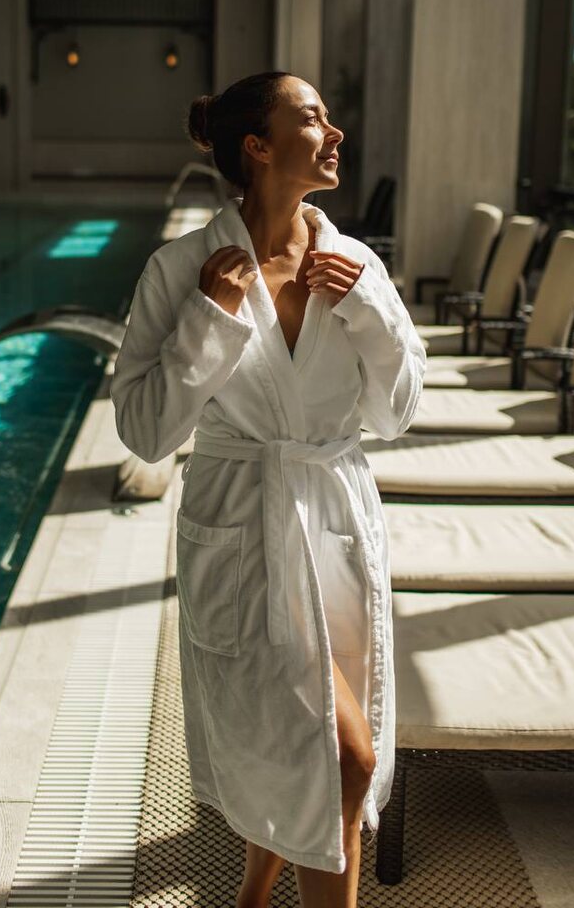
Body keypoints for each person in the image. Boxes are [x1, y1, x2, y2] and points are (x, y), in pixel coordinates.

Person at [110, 71, 426, 907]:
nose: (335, 132)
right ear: (257, 146)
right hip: (243, 528)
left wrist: (369, 310)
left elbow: (395, 414)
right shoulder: (183, 269)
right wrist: (209, 322)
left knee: (307, 747)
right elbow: (145, 431)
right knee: (343, 756)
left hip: (335, 520)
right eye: (313, 118)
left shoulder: (355, 264)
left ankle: (253, 895)